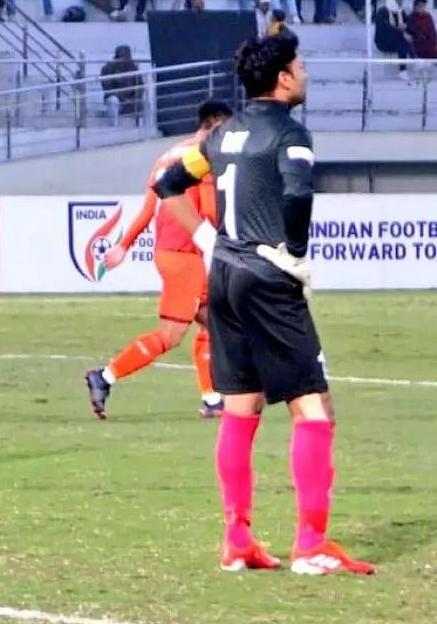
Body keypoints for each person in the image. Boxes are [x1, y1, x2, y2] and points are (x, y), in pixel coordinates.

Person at [152, 33, 375, 576]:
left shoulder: (222, 135)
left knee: (241, 408)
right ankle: (311, 544)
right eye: (299, 66)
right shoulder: (289, 133)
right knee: (314, 408)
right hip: (267, 278)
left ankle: (237, 540)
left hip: (225, 277)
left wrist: (208, 239)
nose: (304, 73)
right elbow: (298, 194)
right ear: (282, 77)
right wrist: (293, 253)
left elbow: (168, 182)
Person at [85, 101, 233, 421]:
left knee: (214, 323)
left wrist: (124, 246)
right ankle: (105, 377)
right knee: (170, 335)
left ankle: (212, 399)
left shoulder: (168, 156)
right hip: (186, 255)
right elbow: (208, 212)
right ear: (216, 123)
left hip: (170, 252)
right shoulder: (204, 156)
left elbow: (148, 209)